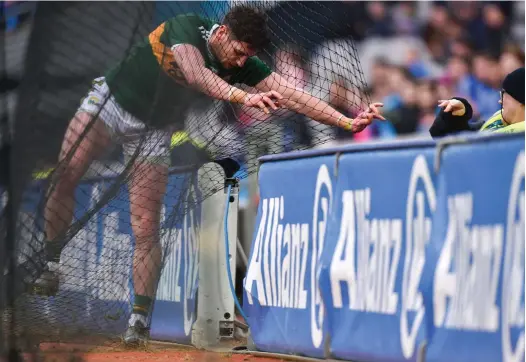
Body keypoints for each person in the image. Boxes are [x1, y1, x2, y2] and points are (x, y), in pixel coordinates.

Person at [32, 5, 385, 345]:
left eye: (248, 56)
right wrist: (241, 97)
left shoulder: (243, 64)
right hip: (111, 102)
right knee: (67, 172)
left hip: (154, 129)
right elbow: (196, 75)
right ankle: (51, 261)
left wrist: (346, 121)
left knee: (145, 224)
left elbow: (294, 95)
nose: (241, 61)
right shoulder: (186, 29)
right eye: (238, 51)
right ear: (222, 33)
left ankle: (138, 321)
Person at [430, 67, 524, 137]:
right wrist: (454, 116)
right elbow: (442, 136)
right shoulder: (496, 123)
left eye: (503, 94)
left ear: (520, 99)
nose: (500, 101)